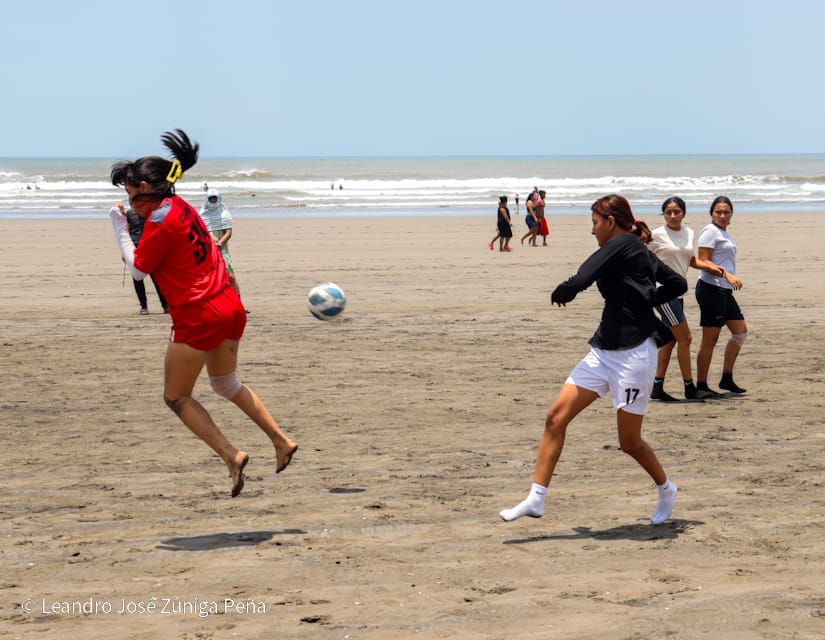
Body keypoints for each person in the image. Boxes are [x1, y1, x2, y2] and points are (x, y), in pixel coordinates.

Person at [108, 129, 298, 498]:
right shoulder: (184, 207)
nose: (131, 205)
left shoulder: (160, 221)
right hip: (229, 305)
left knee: (176, 397)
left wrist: (117, 227)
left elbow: (138, 270)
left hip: (198, 315)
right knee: (226, 384)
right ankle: (281, 440)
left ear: (146, 187)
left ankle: (232, 455)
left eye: (131, 196)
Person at [499, 194, 686, 526]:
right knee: (555, 418)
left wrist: (563, 291)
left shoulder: (623, 244)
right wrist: (645, 298)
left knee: (629, 442)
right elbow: (677, 282)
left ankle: (666, 488)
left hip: (633, 356)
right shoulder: (636, 250)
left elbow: (585, 276)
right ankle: (536, 499)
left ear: (610, 221)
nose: (593, 230)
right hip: (603, 351)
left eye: (595, 223)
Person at [646, 197, 725, 401]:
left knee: (670, 340)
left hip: (678, 294)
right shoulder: (655, 235)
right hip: (663, 294)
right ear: (663, 214)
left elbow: (689, 260)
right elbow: (640, 259)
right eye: (669, 212)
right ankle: (690, 388)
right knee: (685, 338)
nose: (673, 216)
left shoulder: (689, 233)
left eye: (677, 212)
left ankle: (657, 387)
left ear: (684, 213)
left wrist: (711, 267)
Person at [694, 196, 748, 397]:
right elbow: (702, 261)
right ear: (711, 214)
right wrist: (726, 274)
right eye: (718, 212)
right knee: (710, 339)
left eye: (726, 212)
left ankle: (726, 378)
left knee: (740, 331)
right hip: (711, 289)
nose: (722, 215)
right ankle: (701, 385)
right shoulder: (709, 232)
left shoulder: (724, 233)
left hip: (724, 290)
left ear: (731, 214)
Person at [200, 189, 243, 299]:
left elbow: (228, 232)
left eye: (215, 198)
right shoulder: (203, 214)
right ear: (207, 199)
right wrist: (211, 244)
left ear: (219, 198)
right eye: (211, 198)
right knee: (212, 279)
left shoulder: (224, 214)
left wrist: (219, 243)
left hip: (223, 250)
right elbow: (201, 232)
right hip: (209, 251)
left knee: (230, 277)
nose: (213, 200)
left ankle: (238, 301)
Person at [125, 207, 168, 315]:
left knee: (157, 278)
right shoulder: (130, 213)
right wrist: (124, 253)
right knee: (137, 278)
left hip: (150, 248)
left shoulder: (152, 212)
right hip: (135, 248)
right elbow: (127, 233)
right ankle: (143, 307)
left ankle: (165, 306)